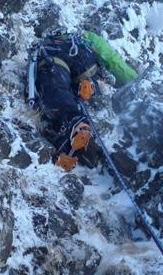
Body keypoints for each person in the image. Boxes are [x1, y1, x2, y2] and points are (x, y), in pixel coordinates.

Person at [27, 30, 138, 170]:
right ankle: (76, 134)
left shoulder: (53, 46)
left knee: (55, 94)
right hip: (66, 70)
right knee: (63, 97)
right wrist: (137, 80)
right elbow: (115, 63)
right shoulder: (89, 39)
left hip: (50, 68)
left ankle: (68, 137)